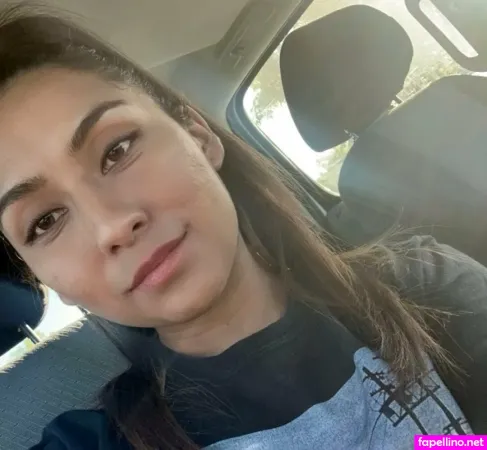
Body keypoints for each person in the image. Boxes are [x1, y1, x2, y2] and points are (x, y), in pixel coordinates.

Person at [0, 5, 484, 450]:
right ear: (47, 279)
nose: (112, 226)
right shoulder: (94, 442)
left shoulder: (421, 282)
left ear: (198, 136)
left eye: (117, 150)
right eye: (44, 222)